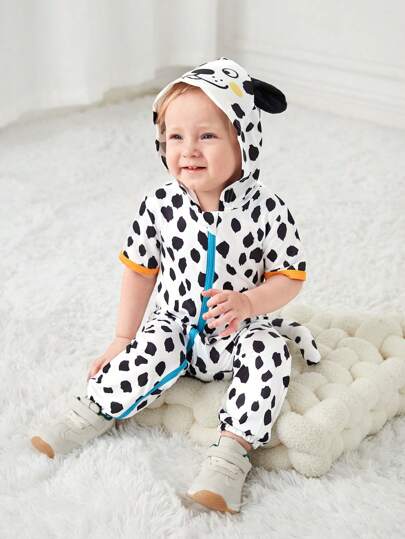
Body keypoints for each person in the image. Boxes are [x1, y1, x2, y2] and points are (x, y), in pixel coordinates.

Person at [30, 57, 321, 514]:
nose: (189, 150)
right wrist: (123, 338)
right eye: (175, 137)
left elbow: (288, 277)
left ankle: (231, 456)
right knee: (147, 350)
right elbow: (140, 270)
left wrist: (249, 303)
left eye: (207, 136)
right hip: (175, 323)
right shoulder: (159, 204)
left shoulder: (268, 210)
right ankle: (92, 409)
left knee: (270, 353)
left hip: (240, 328)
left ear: (244, 140)